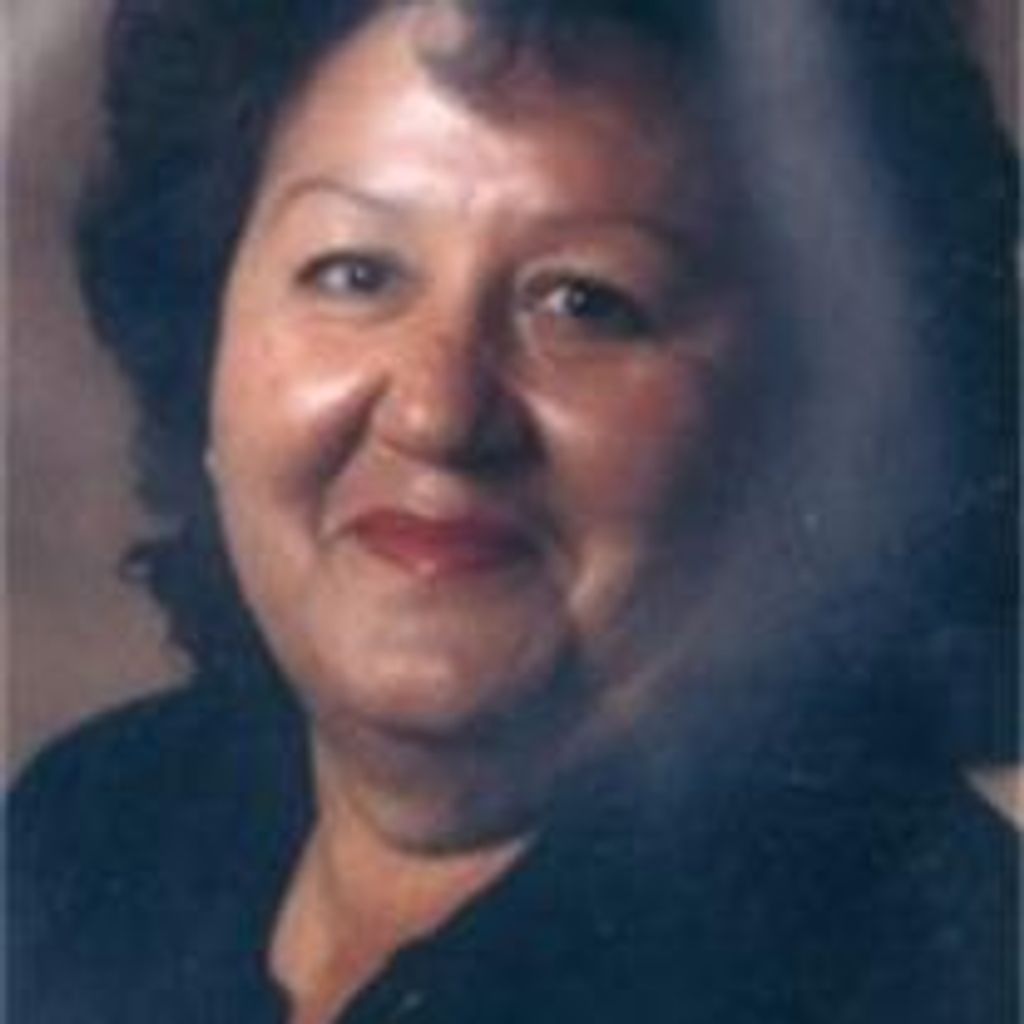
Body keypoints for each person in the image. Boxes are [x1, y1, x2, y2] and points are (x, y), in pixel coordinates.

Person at [8, 1, 1018, 1021]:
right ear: (207, 354)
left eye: (585, 303)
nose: (438, 411)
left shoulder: (943, 974)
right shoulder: (93, 828)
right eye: (355, 273)